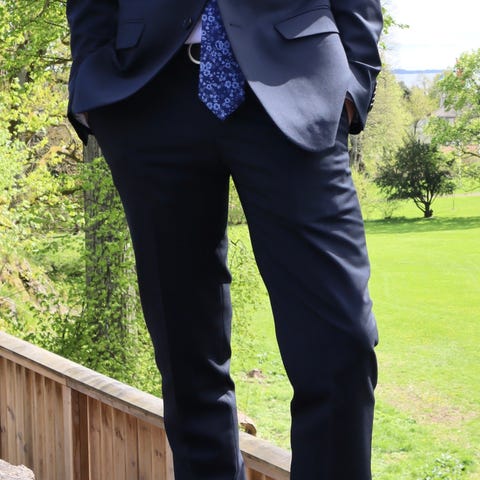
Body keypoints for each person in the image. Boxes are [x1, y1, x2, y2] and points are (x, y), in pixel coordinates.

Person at [66, 0, 383, 478]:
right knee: (185, 353)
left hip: (298, 78)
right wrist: (91, 78)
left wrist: (354, 78)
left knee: (342, 341)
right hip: (145, 89)